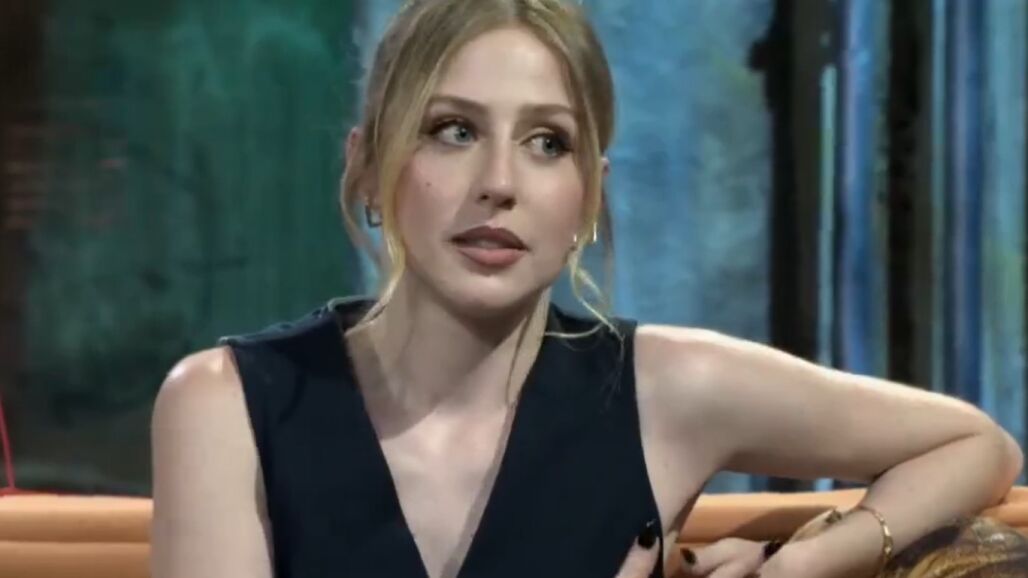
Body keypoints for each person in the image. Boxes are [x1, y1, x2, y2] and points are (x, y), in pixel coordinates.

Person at [149, 1, 1024, 577]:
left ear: (589, 197)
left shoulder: (667, 390)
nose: (499, 183)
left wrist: (812, 559)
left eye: (547, 143)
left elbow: (976, 444)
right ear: (370, 165)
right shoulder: (228, 407)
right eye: (453, 130)